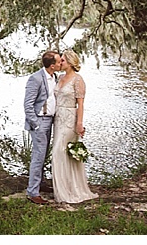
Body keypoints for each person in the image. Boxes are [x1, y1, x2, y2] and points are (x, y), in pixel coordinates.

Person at [50, 49, 99, 203]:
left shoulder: (78, 80)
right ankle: (64, 189)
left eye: (62, 60)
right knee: (60, 153)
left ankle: (69, 192)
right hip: (58, 120)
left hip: (70, 120)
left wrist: (79, 124)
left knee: (60, 152)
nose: (59, 63)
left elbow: (81, 105)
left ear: (70, 63)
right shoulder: (60, 78)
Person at [24, 50, 62, 204]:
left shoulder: (55, 77)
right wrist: (36, 124)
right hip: (40, 121)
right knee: (38, 156)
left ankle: (40, 184)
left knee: (44, 154)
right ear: (52, 65)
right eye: (59, 61)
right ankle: (32, 192)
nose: (61, 63)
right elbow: (28, 104)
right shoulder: (36, 78)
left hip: (51, 120)